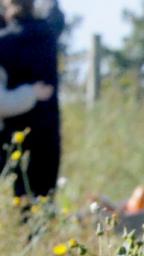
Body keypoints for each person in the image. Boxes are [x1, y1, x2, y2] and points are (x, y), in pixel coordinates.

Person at [0, 0, 62, 205]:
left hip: (13, 136)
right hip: (48, 133)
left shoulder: (4, 43)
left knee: (16, 200)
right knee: (43, 203)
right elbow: (56, 14)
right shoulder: (48, 34)